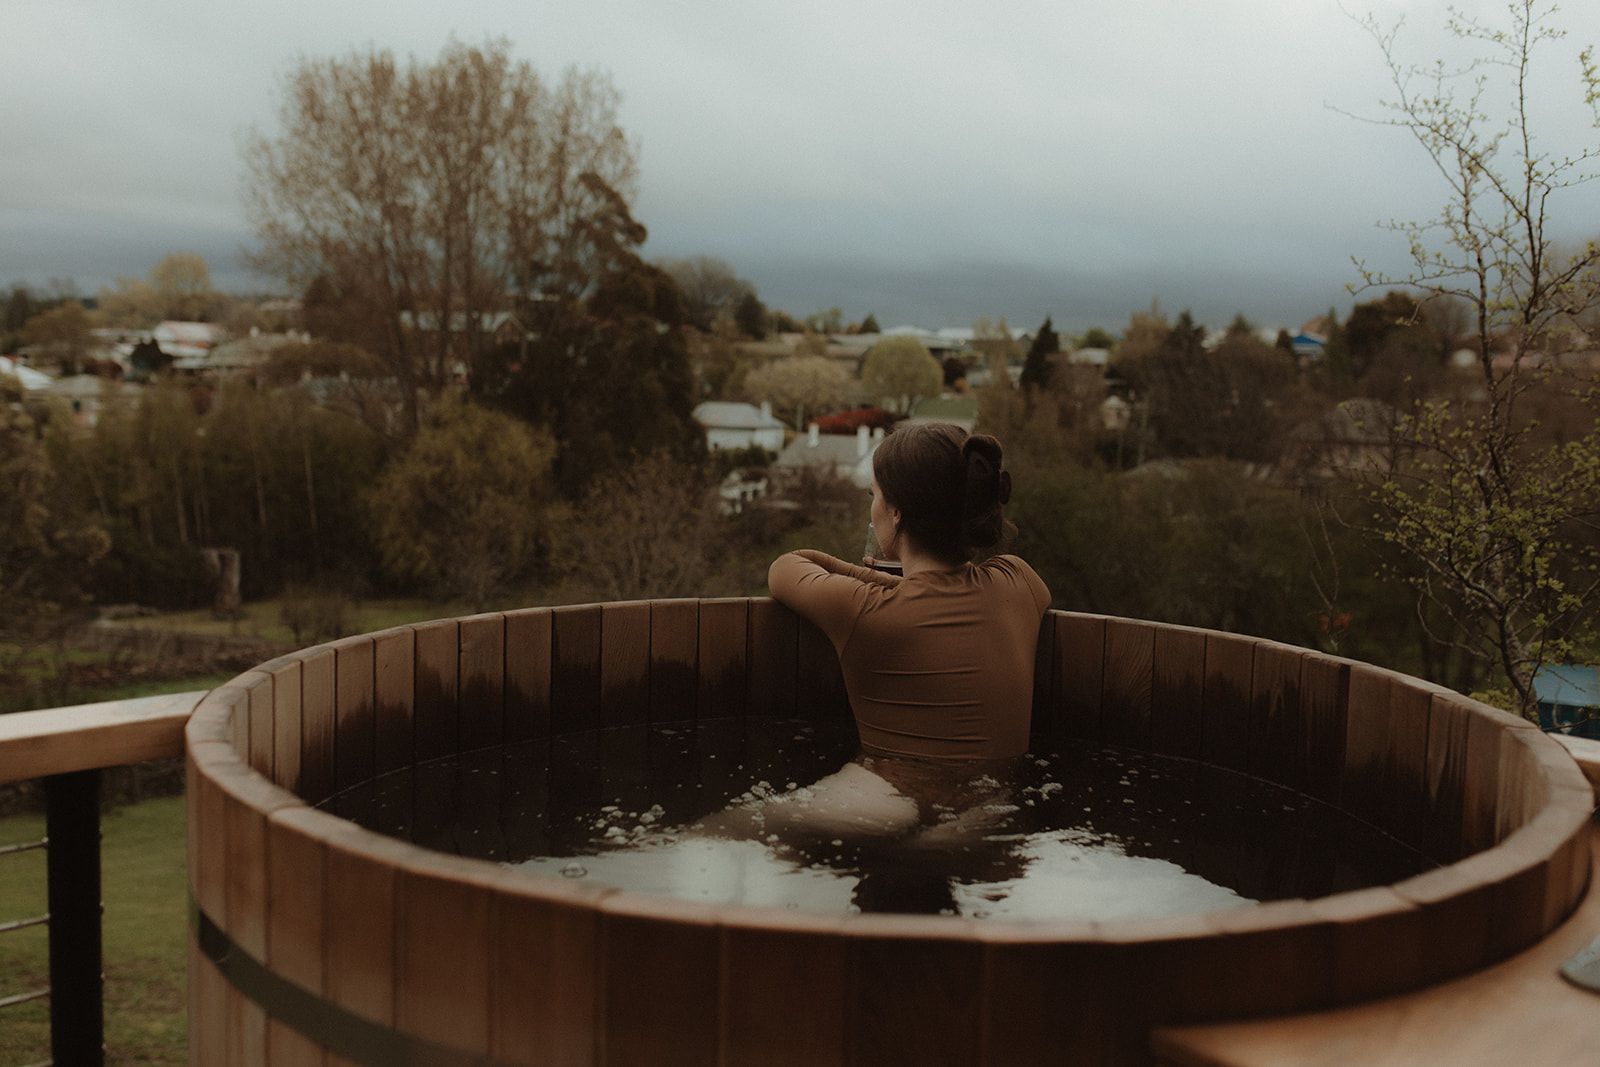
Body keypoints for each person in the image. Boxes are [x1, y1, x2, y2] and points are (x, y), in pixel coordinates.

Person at [751, 422, 1052, 841]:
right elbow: (945, 597)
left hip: (886, 797)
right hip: (991, 809)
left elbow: (785, 568)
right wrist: (899, 586)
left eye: (874, 495)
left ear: (895, 513)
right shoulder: (1021, 582)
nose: (871, 506)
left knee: (727, 832)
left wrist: (869, 580)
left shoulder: (865, 610)